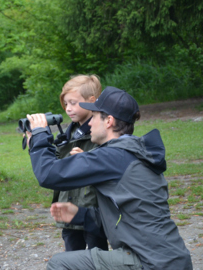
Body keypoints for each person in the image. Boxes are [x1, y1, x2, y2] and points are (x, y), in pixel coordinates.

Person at [26, 87, 192, 270]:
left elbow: (48, 174)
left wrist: (40, 136)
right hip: (172, 259)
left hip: (149, 262)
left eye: (94, 117)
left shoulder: (113, 157)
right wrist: (80, 215)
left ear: (109, 121)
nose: (89, 124)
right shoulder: (133, 153)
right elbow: (126, 218)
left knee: (60, 264)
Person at [52, 75, 108, 252]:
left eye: (73, 103)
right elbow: (55, 165)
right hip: (68, 206)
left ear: (91, 101)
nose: (68, 109)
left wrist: (87, 158)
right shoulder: (69, 133)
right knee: (71, 257)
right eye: (66, 104)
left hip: (92, 209)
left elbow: (110, 159)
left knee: (97, 256)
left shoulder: (103, 130)